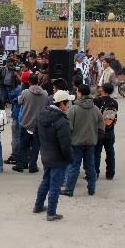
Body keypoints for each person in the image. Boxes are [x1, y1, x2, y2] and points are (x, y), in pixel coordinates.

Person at [32, 90, 74, 221]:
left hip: (46, 154)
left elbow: (36, 134)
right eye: (68, 103)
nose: (69, 106)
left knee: (46, 181)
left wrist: (43, 148)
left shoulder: (42, 114)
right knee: (55, 185)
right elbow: (65, 145)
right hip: (58, 158)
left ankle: (38, 206)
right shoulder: (62, 121)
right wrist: (70, 158)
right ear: (62, 104)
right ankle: (51, 212)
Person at [61, 84, 104, 197]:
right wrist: (95, 137)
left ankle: (69, 189)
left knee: (74, 166)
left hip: (76, 142)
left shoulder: (73, 109)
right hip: (91, 142)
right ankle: (91, 188)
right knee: (90, 166)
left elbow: (68, 127)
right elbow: (101, 126)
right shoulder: (96, 109)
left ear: (79, 93)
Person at [13, 74, 49, 173]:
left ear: (29, 82)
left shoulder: (25, 92)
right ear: (38, 81)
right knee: (36, 146)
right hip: (38, 124)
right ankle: (33, 166)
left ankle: (21, 164)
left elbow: (19, 102)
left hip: (26, 122)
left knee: (23, 145)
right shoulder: (45, 94)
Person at [93, 83, 118, 180]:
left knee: (96, 153)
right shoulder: (115, 103)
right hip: (110, 130)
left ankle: (95, 173)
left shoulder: (97, 101)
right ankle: (110, 173)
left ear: (103, 90)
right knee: (110, 152)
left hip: (98, 131)